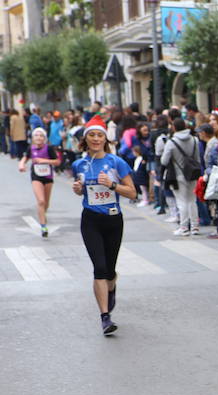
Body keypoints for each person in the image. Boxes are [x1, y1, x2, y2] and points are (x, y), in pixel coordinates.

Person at [71, 115, 138, 335]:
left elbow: (133, 192)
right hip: (90, 220)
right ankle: (105, 317)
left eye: (100, 135)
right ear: (86, 139)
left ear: (105, 139)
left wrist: (112, 185)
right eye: (92, 135)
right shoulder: (78, 164)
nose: (96, 139)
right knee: (99, 268)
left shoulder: (116, 162)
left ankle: (111, 288)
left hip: (113, 220)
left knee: (109, 271)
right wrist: (78, 189)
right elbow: (81, 188)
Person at [161, 118, 202, 236]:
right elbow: (198, 159)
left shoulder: (171, 142)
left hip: (178, 174)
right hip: (192, 174)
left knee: (181, 201)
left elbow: (164, 160)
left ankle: (184, 227)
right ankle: (195, 227)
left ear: (174, 127)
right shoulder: (194, 139)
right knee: (192, 200)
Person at [18, 127, 61, 238]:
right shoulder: (30, 148)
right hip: (36, 176)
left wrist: (44, 161)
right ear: (33, 138)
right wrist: (21, 164)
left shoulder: (49, 148)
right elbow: (25, 158)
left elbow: (57, 162)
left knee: (46, 203)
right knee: (41, 201)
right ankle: (43, 226)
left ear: (44, 138)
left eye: (41, 135)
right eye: (36, 135)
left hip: (48, 177)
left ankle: (43, 214)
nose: (39, 137)